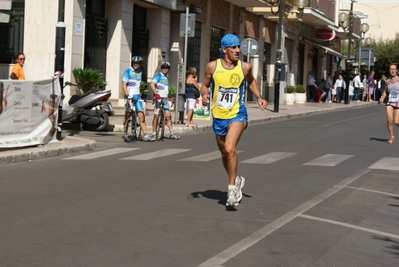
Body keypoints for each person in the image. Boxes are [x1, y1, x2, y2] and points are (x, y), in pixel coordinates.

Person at [200, 34, 267, 207]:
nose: (238, 50)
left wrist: (259, 96)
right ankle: (235, 179)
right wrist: (204, 95)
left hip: (237, 114)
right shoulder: (212, 67)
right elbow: (205, 85)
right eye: (234, 47)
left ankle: (232, 191)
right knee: (224, 153)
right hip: (219, 115)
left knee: (230, 148)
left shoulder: (244, 67)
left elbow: (251, 81)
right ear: (224, 50)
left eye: (238, 47)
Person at [122, 56, 154, 142]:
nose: (136, 64)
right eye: (134, 63)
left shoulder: (141, 72)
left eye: (138, 63)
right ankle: (125, 132)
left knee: (141, 116)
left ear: (140, 64)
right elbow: (124, 84)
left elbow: (142, 84)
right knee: (127, 114)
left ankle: (145, 135)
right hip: (129, 96)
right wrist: (126, 94)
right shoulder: (128, 72)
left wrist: (142, 93)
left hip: (137, 97)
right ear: (132, 63)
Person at [151, 61, 180, 140]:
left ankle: (171, 133)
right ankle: (154, 133)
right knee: (156, 116)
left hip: (165, 99)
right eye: (163, 68)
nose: (165, 69)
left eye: (166, 68)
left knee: (168, 116)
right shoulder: (158, 76)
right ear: (161, 68)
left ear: (169, 69)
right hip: (158, 98)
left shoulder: (166, 77)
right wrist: (156, 93)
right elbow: (152, 84)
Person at [379, 63, 399, 144]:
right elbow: (385, 91)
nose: (392, 70)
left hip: (398, 103)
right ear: (389, 70)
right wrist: (382, 97)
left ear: (396, 70)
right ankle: (392, 137)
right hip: (390, 102)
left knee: (396, 122)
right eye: (391, 69)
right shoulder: (387, 82)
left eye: (394, 69)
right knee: (389, 120)